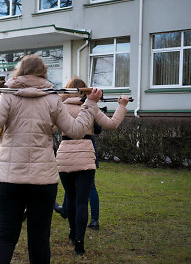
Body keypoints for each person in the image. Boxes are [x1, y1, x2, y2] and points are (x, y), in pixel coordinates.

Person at [0, 54, 103, 263]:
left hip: (10, 180)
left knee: (5, 238)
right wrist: (90, 104)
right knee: (39, 241)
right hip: (42, 182)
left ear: (20, 71)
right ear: (44, 72)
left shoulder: (9, 96)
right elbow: (76, 131)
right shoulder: (52, 98)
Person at [56, 77, 129, 255]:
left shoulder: (60, 107)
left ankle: (73, 234)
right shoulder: (90, 106)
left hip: (64, 156)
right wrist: (122, 106)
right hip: (85, 157)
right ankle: (79, 241)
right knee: (82, 201)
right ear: (86, 91)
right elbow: (111, 124)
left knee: (71, 198)